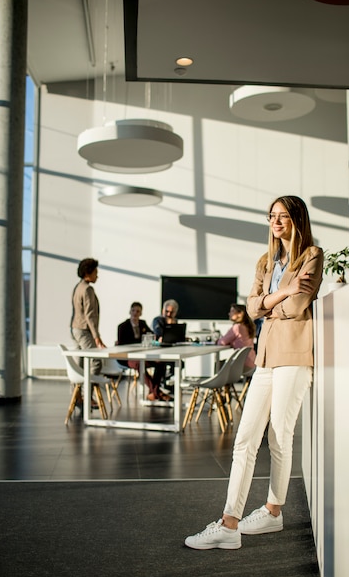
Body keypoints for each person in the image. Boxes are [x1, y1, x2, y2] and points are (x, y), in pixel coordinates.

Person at [185, 195, 323, 550]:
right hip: (265, 357)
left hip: (294, 354)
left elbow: (296, 306)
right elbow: (251, 308)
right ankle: (229, 523)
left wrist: (274, 299)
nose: (275, 222)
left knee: (279, 435)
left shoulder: (311, 256)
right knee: (246, 438)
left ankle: (273, 511)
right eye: (271, 216)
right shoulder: (265, 261)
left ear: (296, 219)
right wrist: (283, 293)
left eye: (282, 216)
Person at [117, 302, 169, 402]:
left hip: (142, 355)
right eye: (133, 310)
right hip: (127, 357)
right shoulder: (122, 326)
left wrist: (159, 339)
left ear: (141, 313)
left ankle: (153, 393)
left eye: (138, 311)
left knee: (161, 362)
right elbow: (122, 345)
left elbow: (152, 335)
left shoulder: (142, 324)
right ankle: (157, 392)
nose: (135, 313)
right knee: (140, 365)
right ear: (130, 311)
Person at [70, 257, 106, 376]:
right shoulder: (87, 289)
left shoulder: (78, 287)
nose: (97, 276)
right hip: (83, 330)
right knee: (95, 361)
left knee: (78, 364)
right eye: (95, 272)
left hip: (75, 329)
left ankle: (77, 393)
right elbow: (89, 315)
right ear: (87, 273)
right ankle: (88, 392)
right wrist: (96, 336)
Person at [217, 303, 256, 370]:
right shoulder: (247, 326)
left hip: (243, 364)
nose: (229, 314)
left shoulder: (237, 327)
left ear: (240, 314)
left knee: (218, 364)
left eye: (232, 311)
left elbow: (221, 342)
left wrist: (217, 340)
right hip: (252, 362)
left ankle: (220, 380)